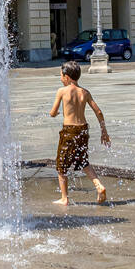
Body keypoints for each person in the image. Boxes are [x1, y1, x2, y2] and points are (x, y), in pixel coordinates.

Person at [48, 61, 110, 205]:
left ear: (67, 77)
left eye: (61, 76)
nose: (60, 78)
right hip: (83, 129)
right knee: (83, 161)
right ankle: (98, 185)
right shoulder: (85, 92)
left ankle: (64, 198)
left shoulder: (62, 91)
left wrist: (55, 113)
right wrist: (104, 132)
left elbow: (52, 112)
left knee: (61, 165)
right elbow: (99, 112)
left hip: (69, 131)